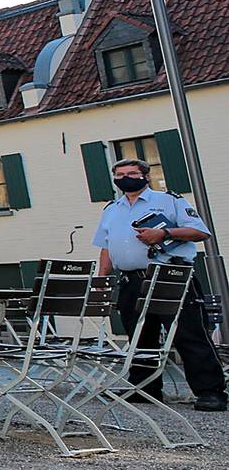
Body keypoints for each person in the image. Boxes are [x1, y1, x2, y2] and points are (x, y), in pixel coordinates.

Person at [93, 156, 226, 411]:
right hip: (132, 280)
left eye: (131, 173)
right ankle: (144, 388)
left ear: (145, 176)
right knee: (139, 336)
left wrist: (164, 233)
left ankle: (211, 392)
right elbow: (106, 246)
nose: (125, 179)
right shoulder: (112, 209)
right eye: (119, 175)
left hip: (169, 275)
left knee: (188, 334)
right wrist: (102, 277)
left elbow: (200, 232)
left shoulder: (168, 201)